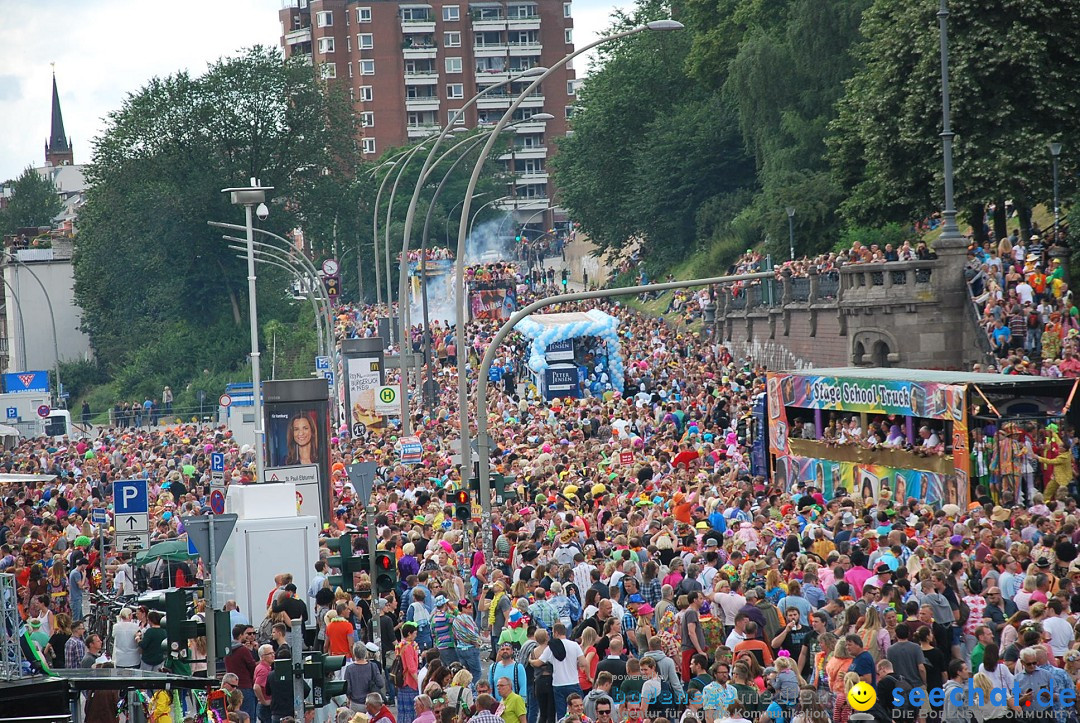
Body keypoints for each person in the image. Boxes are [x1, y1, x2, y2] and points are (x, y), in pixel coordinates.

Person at [532, 623, 585, 720]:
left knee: (561, 715)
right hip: (573, 682)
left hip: (558, 684)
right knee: (578, 711)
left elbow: (538, 663)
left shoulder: (551, 647)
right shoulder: (574, 645)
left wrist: (530, 660)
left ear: (556, 633)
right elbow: (583, 663)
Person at [345, 642, 385, 712]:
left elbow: (347, 689)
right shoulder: (373, 666)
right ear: (365, 652)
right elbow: (380, 683)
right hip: (371, 704)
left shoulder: (349, 669)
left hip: (355, 704)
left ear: (354, 653)